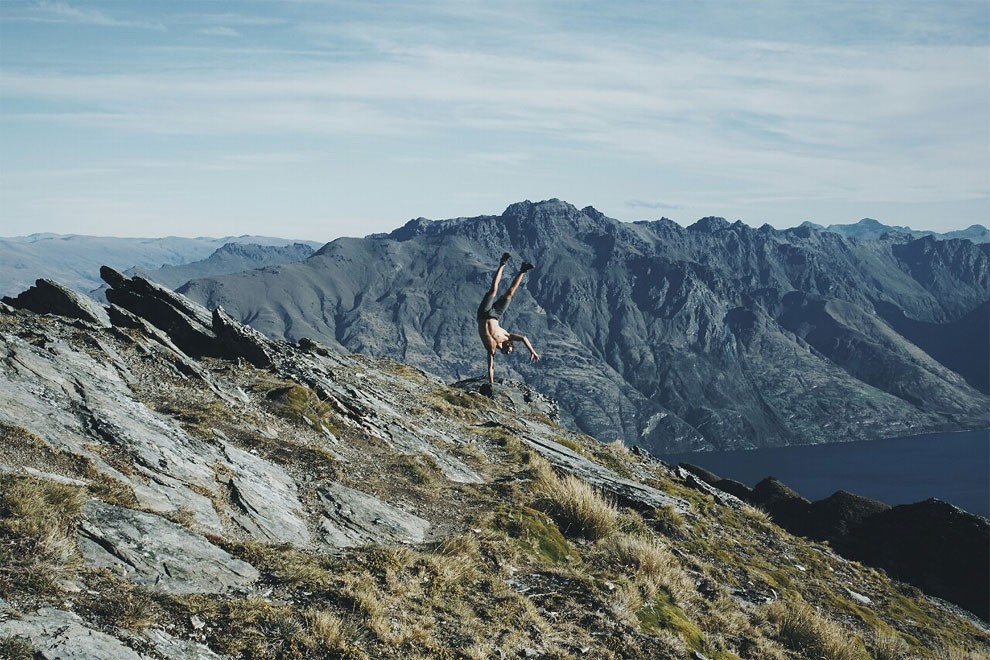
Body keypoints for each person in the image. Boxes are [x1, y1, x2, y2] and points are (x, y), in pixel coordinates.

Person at [477, 252, 540, 384]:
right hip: (495, 315)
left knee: (502, 292)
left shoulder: (492, 348)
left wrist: (491, 384)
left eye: (507, 353)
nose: (507, 352)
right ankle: (505, 265)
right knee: (498, 290)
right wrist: (532, 352)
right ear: (509, 344)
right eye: (509, 350)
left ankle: (521, 270)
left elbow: (490, 367)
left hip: (483, 315)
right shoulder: (507, 336)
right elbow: (523, 338)